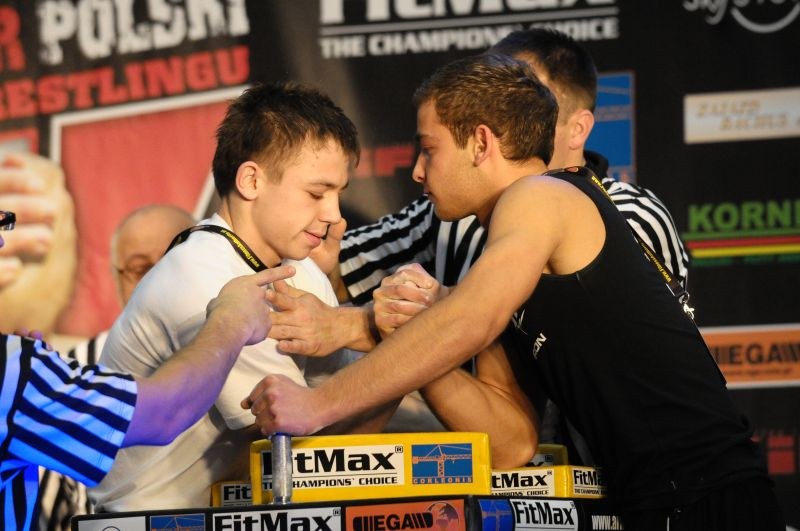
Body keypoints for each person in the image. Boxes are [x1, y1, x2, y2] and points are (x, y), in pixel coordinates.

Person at [244, 55, 784, 530]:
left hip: (708, 494)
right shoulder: (508, 253)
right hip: (659, 500)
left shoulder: (541, 196)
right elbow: (510, 441)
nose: (417, 171)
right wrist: (406, 329)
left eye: (429, 149)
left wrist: (316, 404)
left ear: (481, 143)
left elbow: (469, 321)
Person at [91, 81, 385, 511]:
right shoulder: (201, 273)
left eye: (339, 194)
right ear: (251, 180)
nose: (334, 215)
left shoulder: (301, 269)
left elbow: (337, 402)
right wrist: (409, 351)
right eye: (316, 193)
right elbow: (299, 456)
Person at [0, 209, 296, 531]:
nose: (2, 241)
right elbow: (163, 413)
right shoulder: (16, 369)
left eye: (173, 259)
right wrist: (231, 321)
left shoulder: (19, 368)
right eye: (142, 268)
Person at [36, 204, 196, 531]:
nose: (156, 278)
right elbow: (50, 507)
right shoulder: (75, 367)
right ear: (117, 277)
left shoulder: (243, 350)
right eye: (140, 268)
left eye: (172, 260)